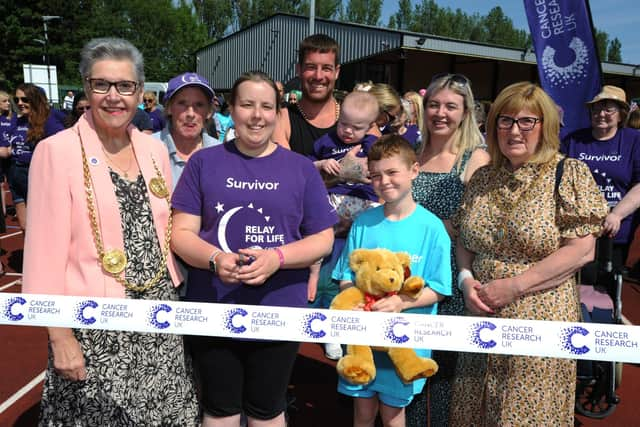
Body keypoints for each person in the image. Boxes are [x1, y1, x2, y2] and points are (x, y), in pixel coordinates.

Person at [21, 37, 199, 426]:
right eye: (102, 84)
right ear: (86, 88)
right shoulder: (57, 151)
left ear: (139, 91)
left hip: (159, 314)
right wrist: (60, 337)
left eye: (125, 86)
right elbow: (42, 252)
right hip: (96, 325)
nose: (114, 97)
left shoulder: (152, 148)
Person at [171, 70, 336, 427]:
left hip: (279, 307)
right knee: (220, 408)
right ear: (231, 110)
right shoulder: (203, 163)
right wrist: (215, 259)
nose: (257, 115)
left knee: (267, 409)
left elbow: (322, 239)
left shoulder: (301, 169)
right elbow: (181, 234)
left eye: (266, 106)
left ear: (278, 114)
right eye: (247, 105)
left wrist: (277, 258)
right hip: (213, 303)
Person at [449, 82, 608, 426]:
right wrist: (466, 280)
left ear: (545, 126)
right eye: (505, 121)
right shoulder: (482, 177)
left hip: (540, 316)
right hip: (481, 310)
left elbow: (582, 250)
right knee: (473, 409)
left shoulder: (568, 174)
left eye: (526, 122)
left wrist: (515, 286)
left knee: (526, 413)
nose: (514, 130)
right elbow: (463, 239)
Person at [332, 135, 451, 427]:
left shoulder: (432, 228)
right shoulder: (363, 223)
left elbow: (439, 288)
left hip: (405, 344)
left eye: (392, 172)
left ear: (414, 170)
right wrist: (356, 303)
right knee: (362, 413)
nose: (384, 181)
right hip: (362, 343)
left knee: (393, 415)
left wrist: (399, 302)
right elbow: (346, 277)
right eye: (375, 175)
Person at [407, 73, 489, 427]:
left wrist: (436, 228)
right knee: (403, 371)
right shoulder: (409, 154)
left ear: (466, 112)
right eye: (434, 105)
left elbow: (477, 227)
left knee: (443, 379)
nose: (441, 113)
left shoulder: (475, 160)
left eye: (450, 106)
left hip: (449, 285)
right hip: (404, 280)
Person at [308, 90, 381, 360]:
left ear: (371, 126)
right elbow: (306, 165)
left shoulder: (373, 144)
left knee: (359, 272)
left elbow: (384, 164)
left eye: (357, 127)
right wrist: (321, 163)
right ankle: (329, 329)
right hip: (334, 200)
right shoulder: (326, 141)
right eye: (344, 124)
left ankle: (354, 336)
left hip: (364, 203)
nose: (348, 131)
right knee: (320, 237)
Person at [562, 85, 640, 284]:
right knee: (573, 283)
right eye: (595, 109)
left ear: (621, 115)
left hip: (613, 233)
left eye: (608, 109)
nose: (601, 114)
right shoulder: (574, 140)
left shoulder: (634, 140)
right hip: (577, 229)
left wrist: (617, 214)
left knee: (605, 289)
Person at [1, 83, 65, 230]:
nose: (20, 103)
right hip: (16, 174)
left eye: (24, 99)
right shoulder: (18, 120)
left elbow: (62, 145)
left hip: (36, 174)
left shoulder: (48, 121)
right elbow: (8, 147)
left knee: (40, 227)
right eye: (16, 100)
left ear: (35, 99)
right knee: (25, 227)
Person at [273, 34, 341, 156]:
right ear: (298, 69)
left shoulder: (359, 118)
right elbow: (286, 170)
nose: (318, 76)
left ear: (337, 72)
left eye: (326, 68)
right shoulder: (282, 120)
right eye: (311, 67)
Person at [153, 72, 221, 188]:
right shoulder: (148, 147)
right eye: (182, 104)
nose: (190, 114)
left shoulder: (222, 154)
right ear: (169, 107)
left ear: (209, 112)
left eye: (199, 105)